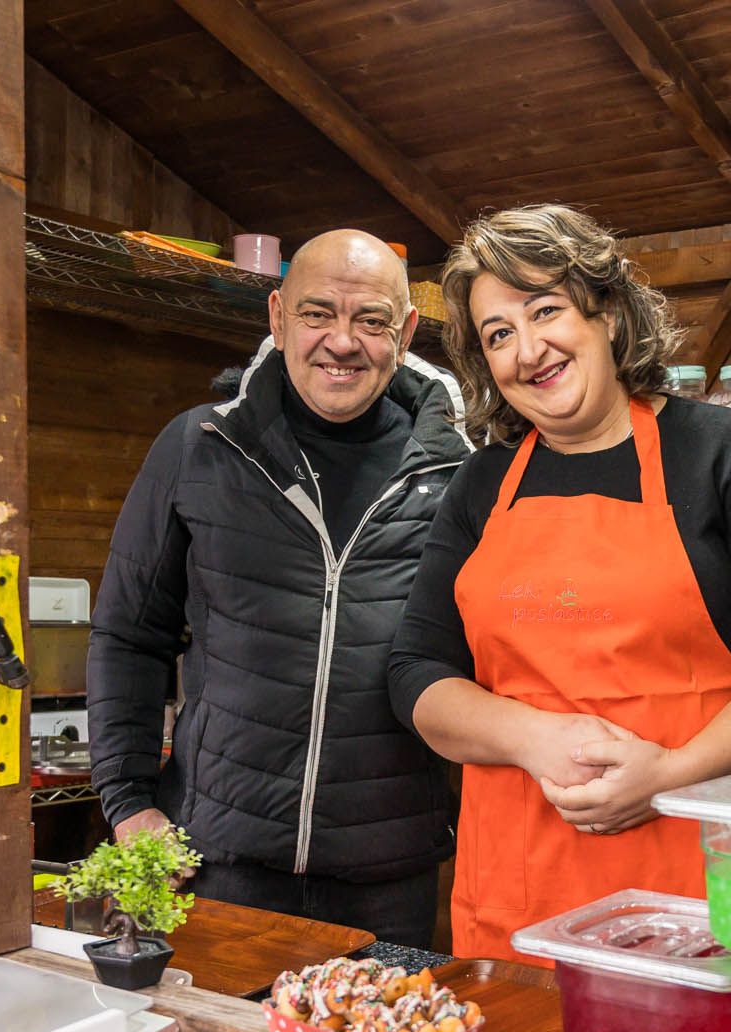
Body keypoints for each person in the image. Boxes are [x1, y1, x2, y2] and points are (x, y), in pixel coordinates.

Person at [388, 205, 731, 960]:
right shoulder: (481, 484)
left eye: (545, 310)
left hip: (699, 883)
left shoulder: (724, 452)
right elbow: (416, 674)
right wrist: (536, 736)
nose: (528, 349)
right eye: (498, 334)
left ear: (605, 310)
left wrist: (668, 774)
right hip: (519, 898)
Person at [88, 230, 471, 948]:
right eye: (317, 313)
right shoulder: (199, 445)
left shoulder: (457, 475)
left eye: (372, 320)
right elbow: (128, 634)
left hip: (389, 881)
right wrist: (130, 801)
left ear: (408, 330)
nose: (343, 341)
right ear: (276, 316)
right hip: (217, 866)